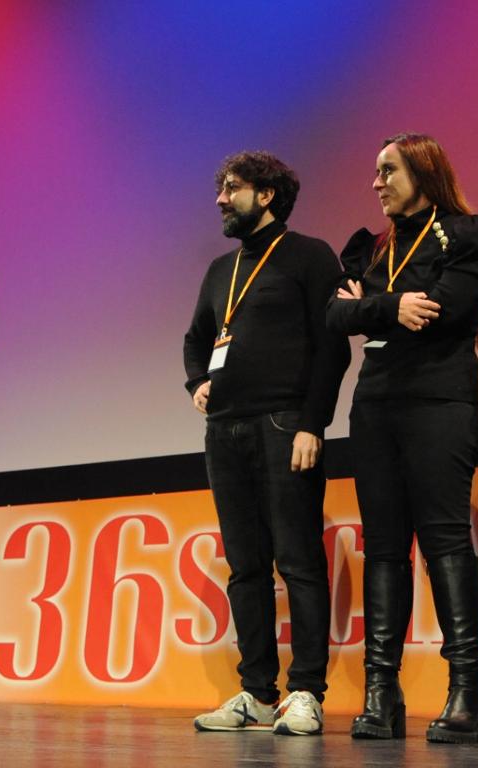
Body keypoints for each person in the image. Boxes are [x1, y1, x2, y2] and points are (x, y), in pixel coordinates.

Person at [327, 133, 478, 743]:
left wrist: (369, 304)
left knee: (446, 539)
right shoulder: (368, 247)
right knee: (386, 547)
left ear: (423, 173)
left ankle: (466, 695)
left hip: (439, 401)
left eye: (388, 170)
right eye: (374, 171)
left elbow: (447, 309)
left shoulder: (463, 233)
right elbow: (334, 315)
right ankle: (381, 693)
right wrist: (392, 306)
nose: (376, 183)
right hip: (375, 406)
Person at [183, 151, 350, 736]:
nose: (221, 200)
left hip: (283, 425)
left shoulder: (309, 256)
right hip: (224, 430)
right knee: (245, 566)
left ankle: (305, 692)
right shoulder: (218, 270)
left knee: (299, 562)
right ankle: (256, 691)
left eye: (233, 188)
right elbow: (197, 339)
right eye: (221, 189)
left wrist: (313, 423)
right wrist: (197, 382)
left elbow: (334, 346)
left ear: (268, 195)